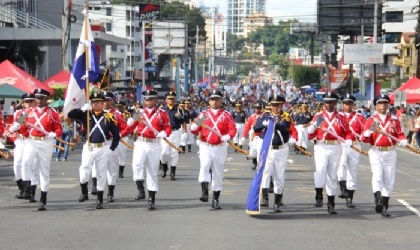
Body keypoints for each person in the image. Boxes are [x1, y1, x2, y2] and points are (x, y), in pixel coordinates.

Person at [120, 90, 171, 210]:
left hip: (154, 144)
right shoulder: (139, 113)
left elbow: (168, 127)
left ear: (156, 100)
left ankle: (151, 198)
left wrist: (164, 133)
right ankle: (140, 189)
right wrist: (119, 134)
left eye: (150, 99)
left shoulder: (161, 113)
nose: (148, 102)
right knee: (136, 165)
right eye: (146, 100)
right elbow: (130, 128)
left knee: (152, 171)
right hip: (141, 142)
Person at [68, 92, 120, 209]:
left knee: (101, 172)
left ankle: (100, 199)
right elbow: (71, 114)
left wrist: (112, 149)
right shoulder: (86, 114)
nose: (95, 104)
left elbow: (116, 134)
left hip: (103, 147)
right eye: (93, 102)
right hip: (89, 146)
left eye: (98, 102)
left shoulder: (108, 117)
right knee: (84, 169)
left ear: (103, 103)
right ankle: (84, 192)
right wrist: (82, 109)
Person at [361, 94, 407, 217]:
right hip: (376, 151)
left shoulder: (394, 120)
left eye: (385, 103)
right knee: (377, 175)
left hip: (390, 152)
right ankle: (378, 201)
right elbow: (365, 139)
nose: (382, 105)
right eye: (380, 103)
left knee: (389, 179)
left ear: (388, 105)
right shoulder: (371, 120)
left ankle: (385, 206)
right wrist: (366, 134)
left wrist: (403, 140)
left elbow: (400, 134)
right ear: (376, 106)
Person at [190, 89, 236, 209]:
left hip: (220, 147)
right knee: (204, 165)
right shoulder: (204, 115)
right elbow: (195, 129)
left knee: (218, 172)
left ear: (221, 101)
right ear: (209, 101)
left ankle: (215, 199)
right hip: (206, 146)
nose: (214, 101)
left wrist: (228, 136)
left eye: (217, 99)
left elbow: (232, 129)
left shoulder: (226, 115)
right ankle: (204, 192)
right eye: (212, 99)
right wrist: (194, 126)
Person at [307, 92, 352, 214]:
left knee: (332, 175)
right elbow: (310, 135)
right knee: (320, 170)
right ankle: (319, 194)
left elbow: (347, 131)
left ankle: (331, 203)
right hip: (321, 146)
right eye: (327, 102)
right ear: (324, 103)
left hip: (335, 147)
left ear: (335, 103)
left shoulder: (341, 117)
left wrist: (348, 139)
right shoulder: (318, 117)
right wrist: (311, 130)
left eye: (331, 101)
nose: (329, 104)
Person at [20, 89, 62, 211]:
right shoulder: (28, 112)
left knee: (44, 171)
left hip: (45, 142)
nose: (39, 100)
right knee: (26, 162)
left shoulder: (52, 113)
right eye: (37, 98)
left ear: (46, 99)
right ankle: (26, 188)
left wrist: (55, 134)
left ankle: (43, 199)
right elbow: (19, 125)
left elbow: (58, 128)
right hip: (31, 141)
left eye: (41, 98)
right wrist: (18, 126)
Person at [253, 96, 298, 212]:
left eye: (278, 105)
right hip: (268, 149)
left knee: (279, 175)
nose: (275, 107)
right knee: (266, 172)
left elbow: (285, 126)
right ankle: (265, 198)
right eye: (273, 105)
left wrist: (273, 122)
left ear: (281, 106)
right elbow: (256, 127)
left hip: (281, 149)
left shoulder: (286, 116)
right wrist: (264, 123)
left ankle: (277, 201)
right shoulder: (265, 115)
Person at [337, 94, 365, 208]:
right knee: (341, 165)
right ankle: (343, 189)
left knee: (352, 171)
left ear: (353, 105)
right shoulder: (338, 116)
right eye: (345, 103)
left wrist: (364, 135)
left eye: (350, 104)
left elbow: (364, 130)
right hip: (341, 144)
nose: (347, 106)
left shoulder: (359, 117)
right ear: (342, 104)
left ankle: (350, 197)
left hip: (355, 145)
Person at [7, 93, 37, 199]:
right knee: (17, 164)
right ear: (23, 102)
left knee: (31, 166)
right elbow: (11, 129)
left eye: (30, 101)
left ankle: (31, 192)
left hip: (32, 141)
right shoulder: (19, 113)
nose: (28, 103)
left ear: (34, 101)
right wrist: (14, 127)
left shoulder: (37, 113)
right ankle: (21, 188)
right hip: (20, 140)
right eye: (26, 101)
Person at [160, 91, 186, 180]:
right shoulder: (162, 110)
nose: (171, 100)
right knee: (164, 152)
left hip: (175, 132)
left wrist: (185, 133)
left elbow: (183, 123)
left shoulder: (179, 110)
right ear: (166, 100)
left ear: (175, 99)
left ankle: (172, 172)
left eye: (172, 98)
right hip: (165, 133)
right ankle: (164, 166)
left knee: (174, 153)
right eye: (169, 98)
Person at [241, 102, 264, 170]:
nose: (257, 110)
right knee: (253, 150)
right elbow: (247, 127)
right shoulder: (252, 117)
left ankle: (260, 164)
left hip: (261, 135)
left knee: (260, 150)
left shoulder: (263, 116)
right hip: (253, 135)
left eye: (259, 108)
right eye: (256, 108)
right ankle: (255, 163)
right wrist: (243, 137)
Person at [115, 100, 131, 178]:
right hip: (114, 137)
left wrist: (121, 134)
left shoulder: (126, 114)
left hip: (123, 137)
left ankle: (121, 171)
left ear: (123, 107)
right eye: (117, 106)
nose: (118, 108)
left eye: (120, 107)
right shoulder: (112, 114)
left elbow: (127, 127)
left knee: (122, 155)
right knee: (113, 154)